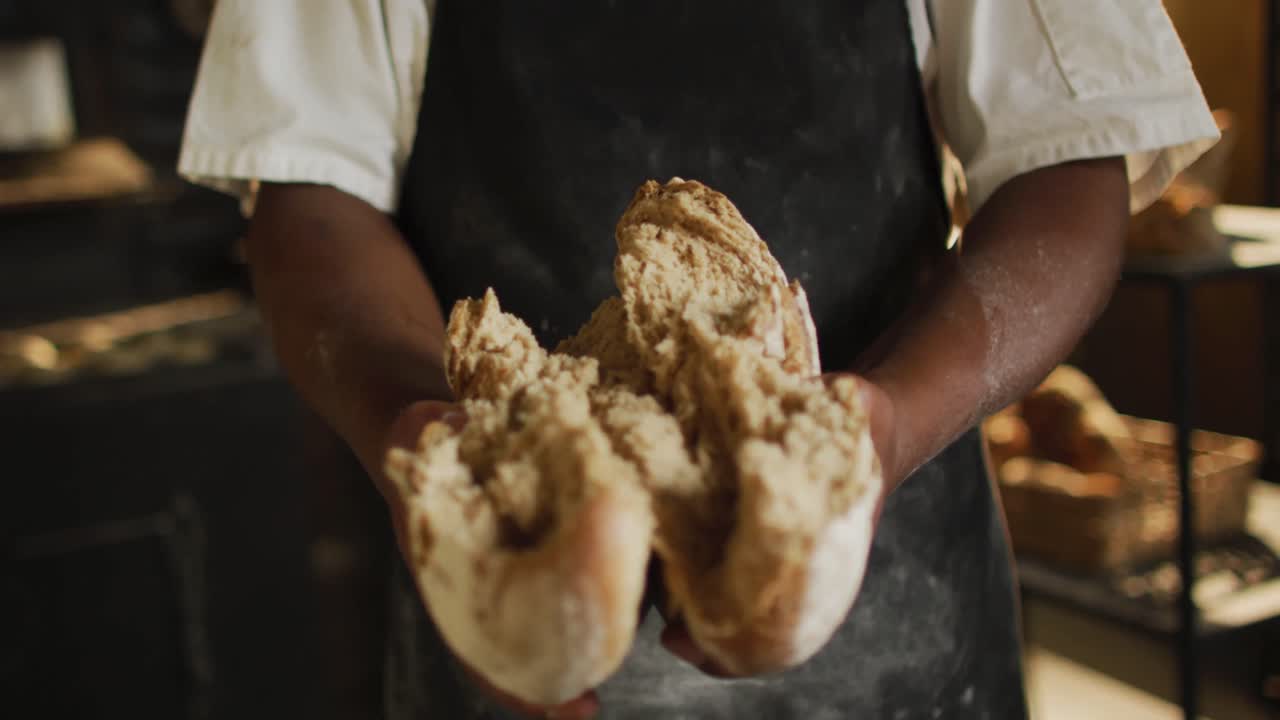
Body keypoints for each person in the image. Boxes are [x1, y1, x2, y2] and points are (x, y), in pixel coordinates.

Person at [179, 1, 1219, 717]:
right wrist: (412, 425)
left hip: (895, 606)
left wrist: (883, 426)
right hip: (507, 575)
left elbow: (1066, 158)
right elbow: (309, 194)